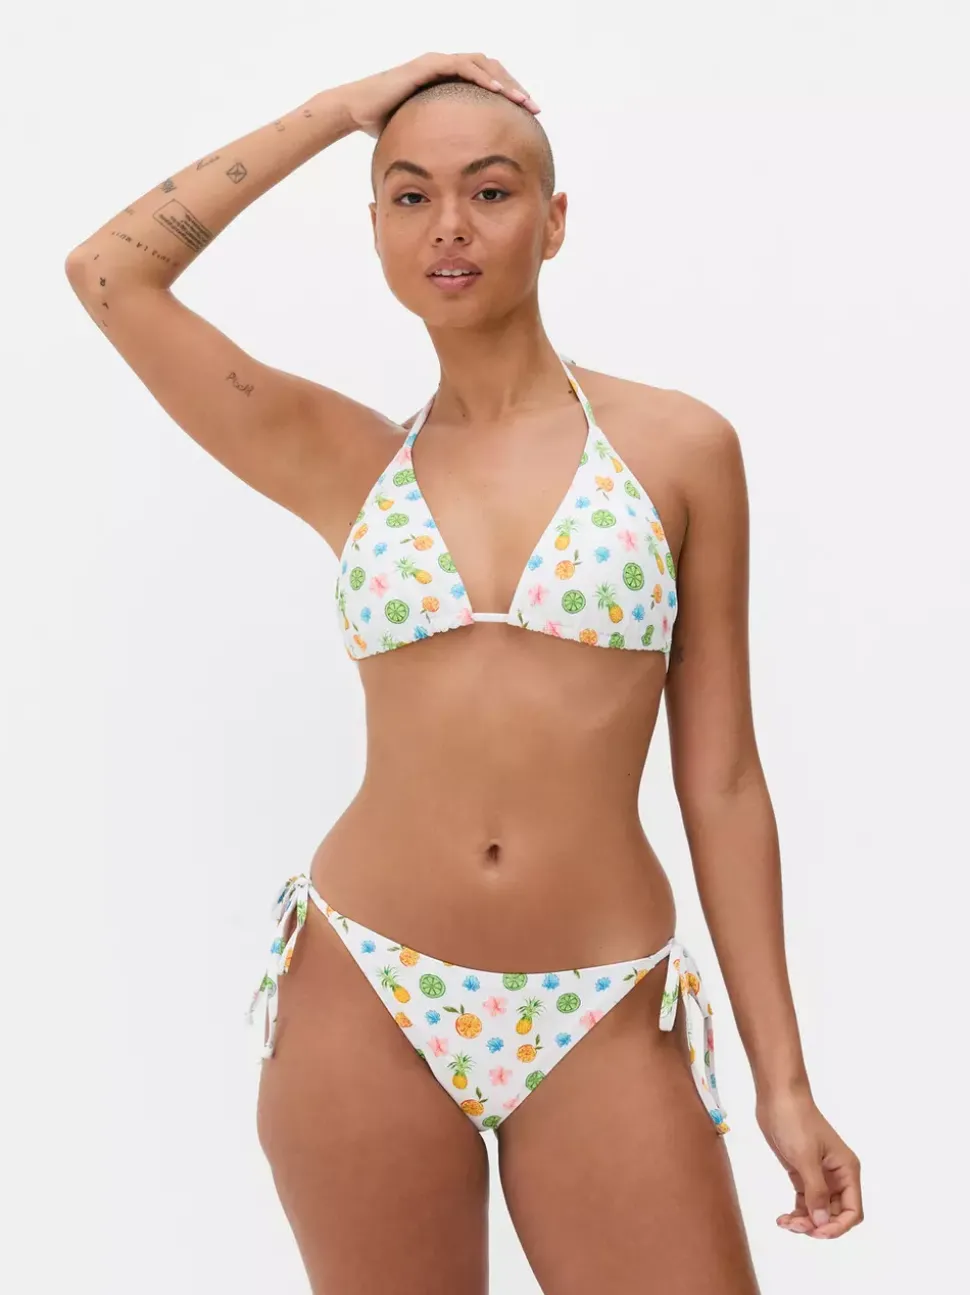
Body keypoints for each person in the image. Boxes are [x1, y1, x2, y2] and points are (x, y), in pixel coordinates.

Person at [65, 51, 863, 1294]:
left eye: (490, 192)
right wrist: (338, 111)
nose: (448, 224)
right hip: (365, 989)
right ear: (375, 226)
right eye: (408, 195)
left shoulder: (677, 449)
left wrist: (785, 1080)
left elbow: (721, 781)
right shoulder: (343, 459)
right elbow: (109, 272)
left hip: (603, 1003)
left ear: (554, 221)